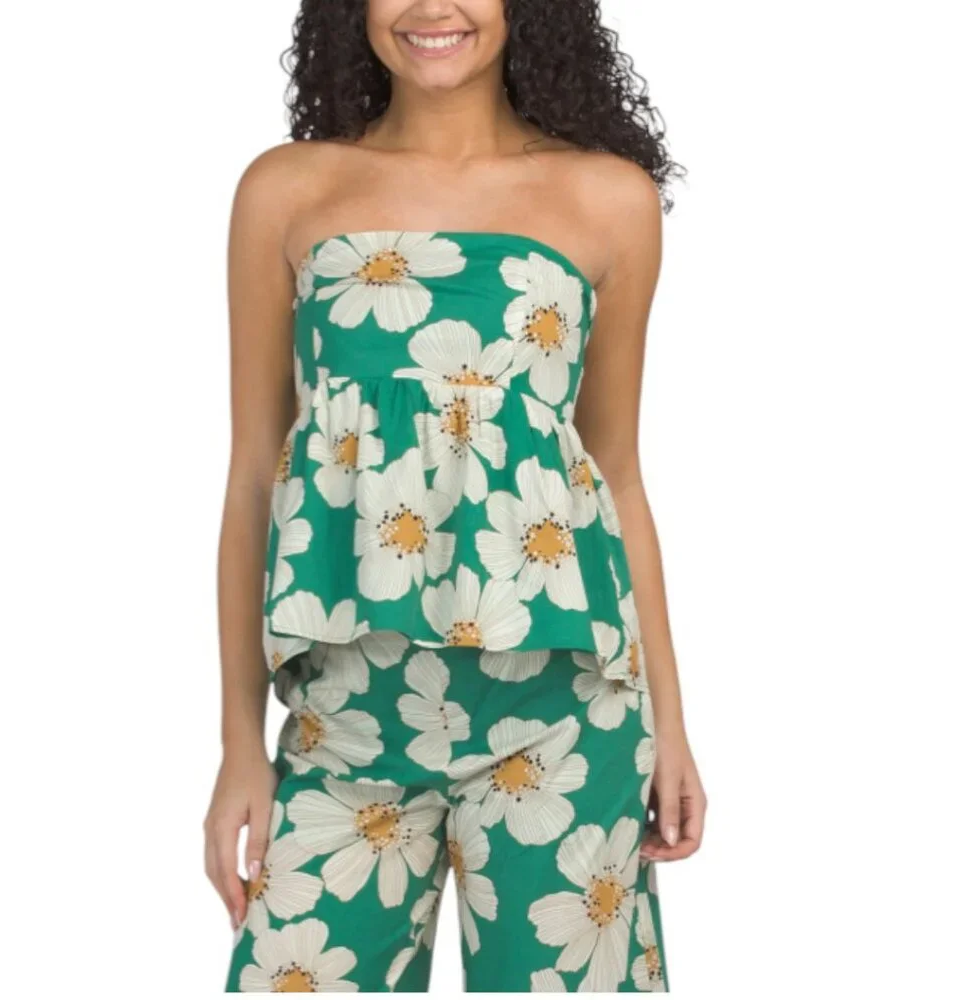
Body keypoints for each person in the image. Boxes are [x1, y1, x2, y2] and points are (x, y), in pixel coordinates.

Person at [204, 0, 705, 991]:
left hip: (562, 714)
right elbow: (256, 470)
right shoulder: (286, 189)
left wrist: (674, 727)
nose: (433, 7)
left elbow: (616, 474)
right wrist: (237, 745)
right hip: (345, 715)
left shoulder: (608, 199)